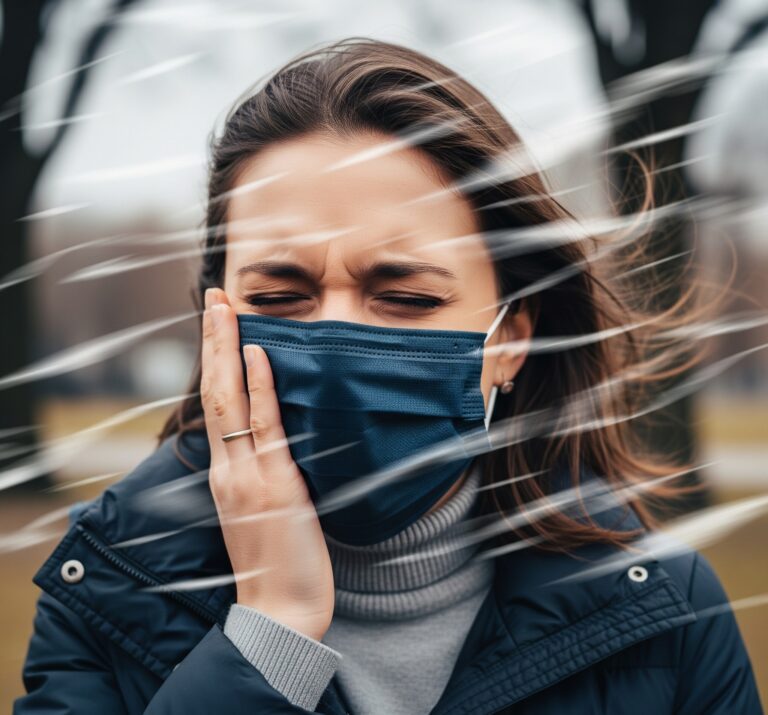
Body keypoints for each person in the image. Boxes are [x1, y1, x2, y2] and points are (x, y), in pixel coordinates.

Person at [14, 37, 762, 714]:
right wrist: (268, 636)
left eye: (406, 297)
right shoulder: (106, 587)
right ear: (216, 322)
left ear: (511, 339)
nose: (341, 342)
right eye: (279, 298)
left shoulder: (665, 610)